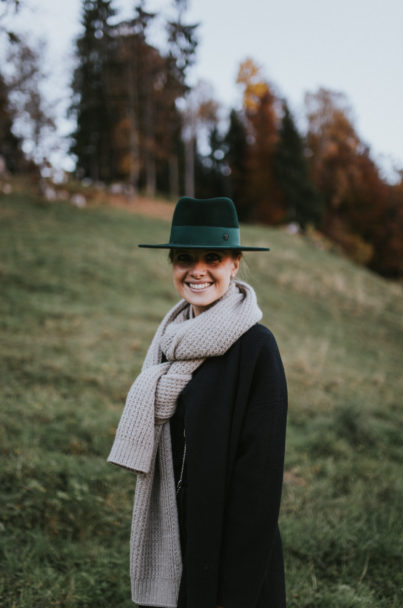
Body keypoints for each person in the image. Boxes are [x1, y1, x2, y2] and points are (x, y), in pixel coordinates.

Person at [108, 196, 288, 608]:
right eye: (185, 257)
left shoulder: (256, 347)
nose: (198, 270)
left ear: (235, 263)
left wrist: (238, 580)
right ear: (173, 264)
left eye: (214, 257)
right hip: (177, 526)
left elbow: (260, 477)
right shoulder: (170, 341)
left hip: (233, 538)